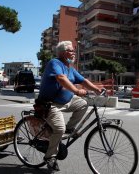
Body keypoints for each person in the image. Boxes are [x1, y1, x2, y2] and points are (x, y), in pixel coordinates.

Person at [37, 41, 102, 173]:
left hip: (65, 102)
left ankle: (70, 129)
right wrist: (76, 91)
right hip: (49, 104)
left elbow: (83, 80)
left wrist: (96, 89)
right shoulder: (55, 63)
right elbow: (61, 78)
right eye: (71, 50)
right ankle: (50, 157)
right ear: (62, 53)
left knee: (83, 104)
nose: (74, 52)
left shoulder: (70, 68)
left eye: (73, 50)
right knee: (59, 129)